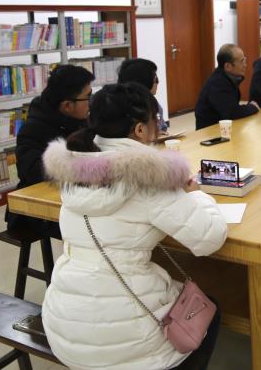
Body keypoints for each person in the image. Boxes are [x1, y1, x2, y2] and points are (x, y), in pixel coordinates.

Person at [41, 83, 228, 370]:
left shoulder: (76, 167)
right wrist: (196, 196)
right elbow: (209, 239)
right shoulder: (148, 177)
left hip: (64, 327)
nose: (159, 127)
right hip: (127, 348)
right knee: (210, 311)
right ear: (140, 130)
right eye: (156, 120)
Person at [10, 64, 94, 238]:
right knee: (99, 227)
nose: (91, 102)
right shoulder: (33, 129)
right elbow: (35, 172)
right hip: (38, 209)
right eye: (88, 97)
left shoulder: (80, 120)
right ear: (67, 105)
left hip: (74, 196)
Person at [194, 44, 260, 130]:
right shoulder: (217, 84)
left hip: (223, 126)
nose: (245, 65)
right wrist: (252, 107)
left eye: (244, 60)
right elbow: (232, 112)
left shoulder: (229, 77)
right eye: (242, 61)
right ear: (228, 66)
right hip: (210, 131)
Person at [117, 57, 169, 135]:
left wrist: (160, 133)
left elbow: (162, 128)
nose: (157, 82)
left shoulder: (154, 105)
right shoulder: (123, 110)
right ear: (145, 81)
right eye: (156, 79)